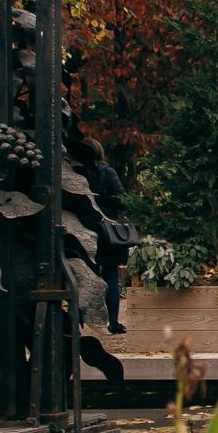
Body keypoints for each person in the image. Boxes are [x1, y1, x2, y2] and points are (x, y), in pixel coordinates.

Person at [75, 134, 131, 335]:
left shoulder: (76, 172)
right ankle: (113, 323)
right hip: (107, 232)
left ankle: (80, 321)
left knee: (83, 277)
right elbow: (123, 200)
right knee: (110, 275)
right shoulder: (107, 173)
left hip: (81, 229)